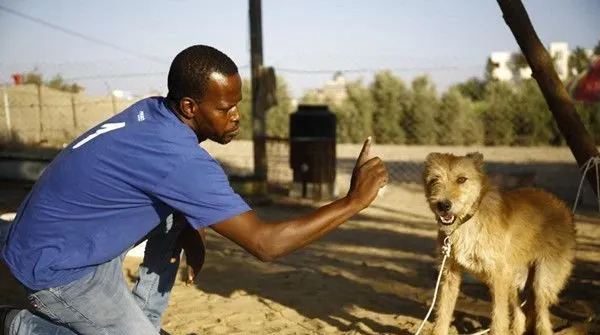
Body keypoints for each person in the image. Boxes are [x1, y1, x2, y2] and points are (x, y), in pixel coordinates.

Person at [0, 45, 388, 335]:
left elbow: (160, 182)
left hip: (62, 237)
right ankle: (19, 325)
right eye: (224, 108)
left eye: (237, 104)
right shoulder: (179, 159)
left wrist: (189, 221)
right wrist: (353, 201)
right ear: (189, 106)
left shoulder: (155, 112)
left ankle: (142, 321)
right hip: (58, 269)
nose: (235, 116)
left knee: (183, 214)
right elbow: (265, 244)